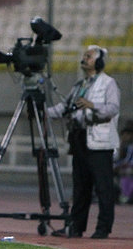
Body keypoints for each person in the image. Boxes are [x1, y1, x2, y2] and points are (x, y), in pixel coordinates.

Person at [48, 45, 120, 239]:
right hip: (79, 139)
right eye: (85, 56)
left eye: (88, 57)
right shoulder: (79, 85)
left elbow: (113, 109)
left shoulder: (108, 83)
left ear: (98, 61)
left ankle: (103, 228)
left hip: (99, 143)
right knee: (80, 187)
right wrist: (43, 113)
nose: (84, 59)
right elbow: (64, 107)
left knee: (103, 187)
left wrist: (92, 106)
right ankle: (76, 226)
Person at [114, 120, 133, 205]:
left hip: (129, 166)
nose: (125, 136)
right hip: (124, 166)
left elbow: (129, 160)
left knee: (127, 171)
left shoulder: (131, 147)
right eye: (123, 134)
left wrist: (121, 165)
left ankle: (126, 194)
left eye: (127, 134)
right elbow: (118, 159)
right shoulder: (122, 146)